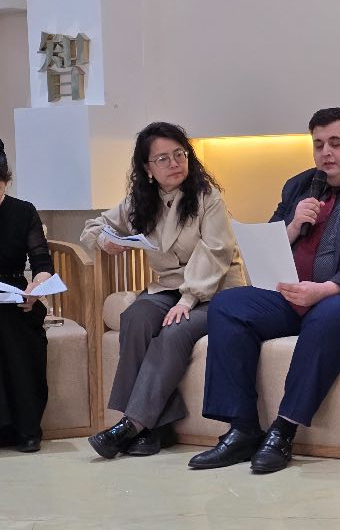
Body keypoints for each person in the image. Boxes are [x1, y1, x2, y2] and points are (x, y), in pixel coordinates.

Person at [188, 107, 340, 473]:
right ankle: (241, 429)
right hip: (300, 296)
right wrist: (291, 226)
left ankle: (283, 430)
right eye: (318, 145)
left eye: (336, 143)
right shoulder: (300, 185)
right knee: (228, 304)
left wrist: (328, 289)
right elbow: (267, 244)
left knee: (329, 313)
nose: (326, 153)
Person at [81, 122, 244, 459]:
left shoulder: (208, 197)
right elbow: (95, 226)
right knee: (135, 317)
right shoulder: (141, 201)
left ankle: (133, 425)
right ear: (147, 168)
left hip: (213, 291)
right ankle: (158, 427)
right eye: (163, 158)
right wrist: (105, 241)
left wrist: (188, 299)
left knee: (173, 331)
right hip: (167, 288)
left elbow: (215, 253)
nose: (174, 163)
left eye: (179, 154)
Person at [0, 139, 54, 453]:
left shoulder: (23, 211)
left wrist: (37, 287)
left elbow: (42, 263)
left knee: (12, 324)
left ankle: (25, 427)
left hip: (16, 297)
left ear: (6, 182)